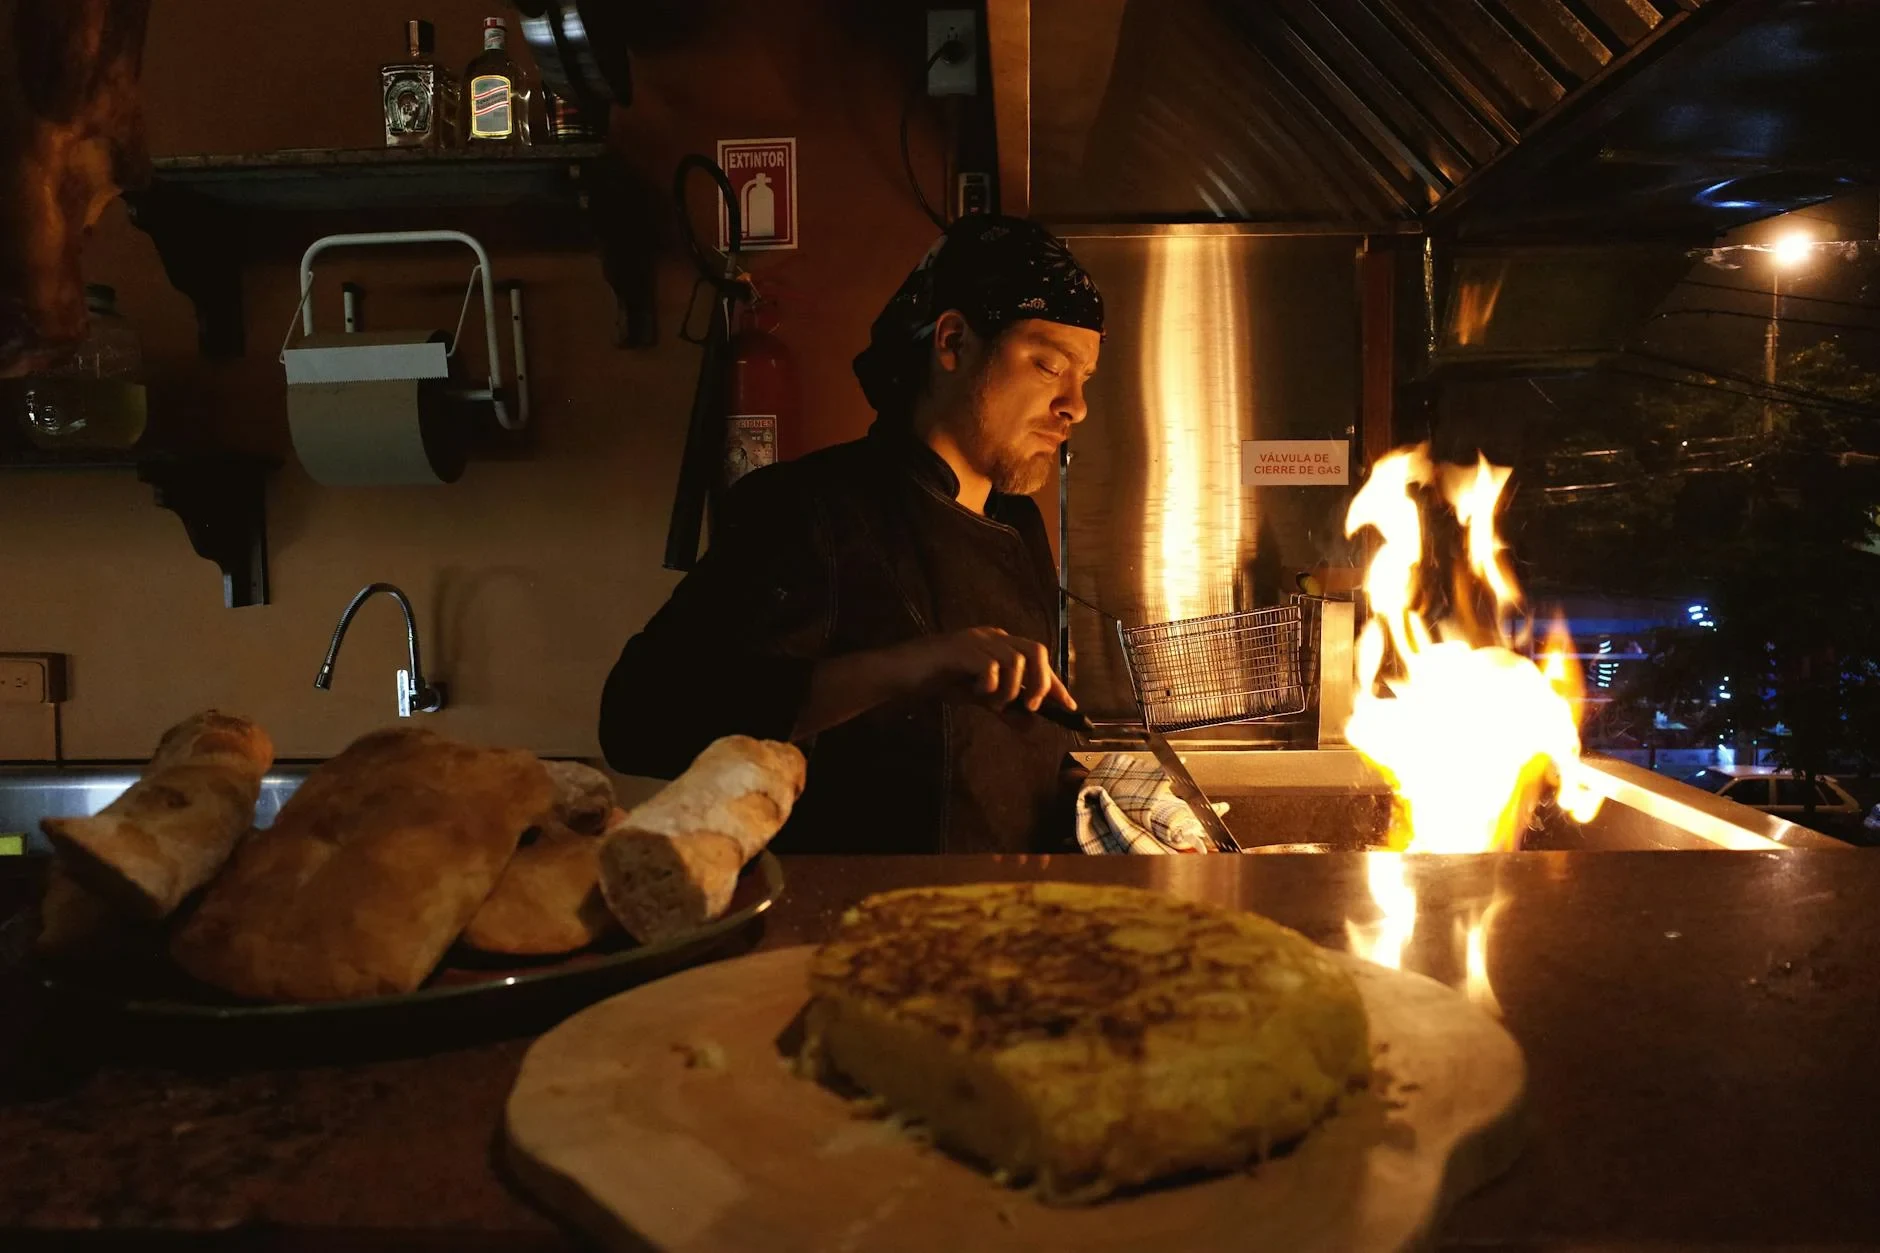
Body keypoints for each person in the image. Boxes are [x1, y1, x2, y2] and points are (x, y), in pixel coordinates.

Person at [599, 215, 1104, 854]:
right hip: (853, 912)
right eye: (1049, 365)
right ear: (953, 342)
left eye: (1085, 379)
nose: (1075, 405)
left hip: (999, 909)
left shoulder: (1018, 524)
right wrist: (911, 665)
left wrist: (1093, 798)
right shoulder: (811, 509)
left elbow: (1007, 756)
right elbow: (636, 721)